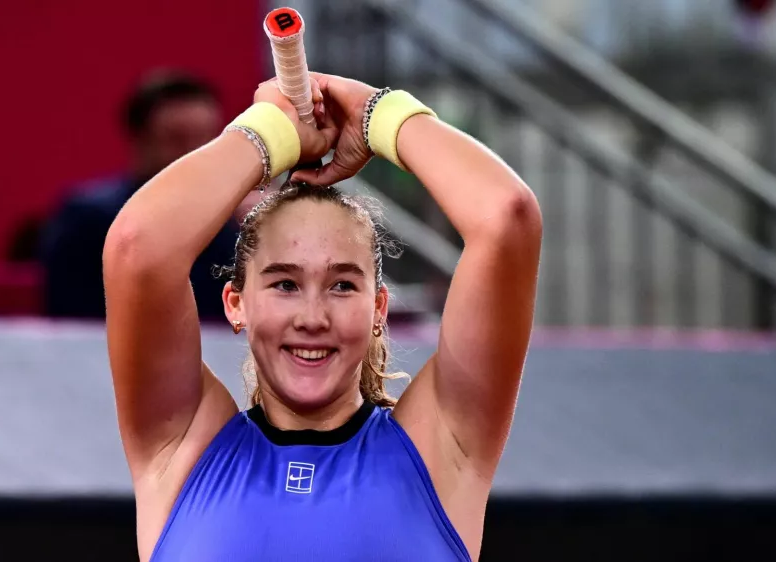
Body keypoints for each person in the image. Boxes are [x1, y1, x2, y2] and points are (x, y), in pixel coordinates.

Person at [103, 73, 542, 561]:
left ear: (379, 308)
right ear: (236, 303)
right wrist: (271, 131)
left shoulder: (442, 447)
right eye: (285, 284)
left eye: (342, 286)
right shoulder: (181, 447)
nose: (313, 317)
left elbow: (507, 217)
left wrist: (377, 113)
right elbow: (138, 247)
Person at [40, 71, 239, 320]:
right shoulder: (88, 219)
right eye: (177, 139)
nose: (196, 153)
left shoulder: (232, 224)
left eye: (207, 139)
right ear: (140, 141)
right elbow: (74, 319)